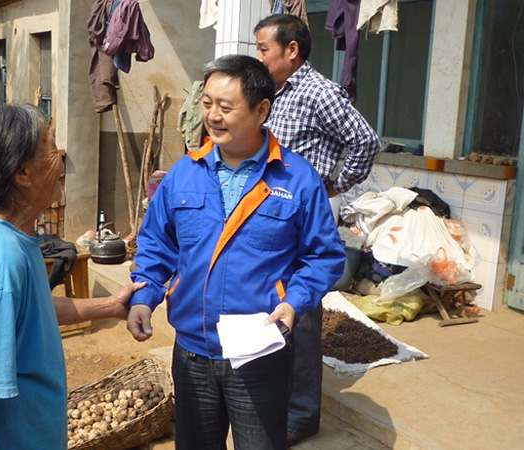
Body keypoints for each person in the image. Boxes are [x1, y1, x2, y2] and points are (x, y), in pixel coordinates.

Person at [125, 53, 345, 450]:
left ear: (262, 109)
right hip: (192, 352)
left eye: (225, 107)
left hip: (259, 355)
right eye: (207, 103)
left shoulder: (297, 179)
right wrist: (145, 295)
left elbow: (323, 256)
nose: (212, 115)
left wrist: (294, 302)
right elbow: (157, 243)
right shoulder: (183, 173)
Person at [0, 103, 145, 450]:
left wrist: (111, 305)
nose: (60, 158)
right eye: (50, 146)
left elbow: (28, 311)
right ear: (22, 174)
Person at [254, 13, 381, 446]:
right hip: (266, 214)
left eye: (263, 49)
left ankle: (302, 415)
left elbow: (366, 140)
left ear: (291, 51)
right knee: (270, 302)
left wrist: (335, 182)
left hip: (303, 217)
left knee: (301, 312)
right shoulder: (271, 91)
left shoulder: (319, 92)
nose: (258, 57)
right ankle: (274, 397)